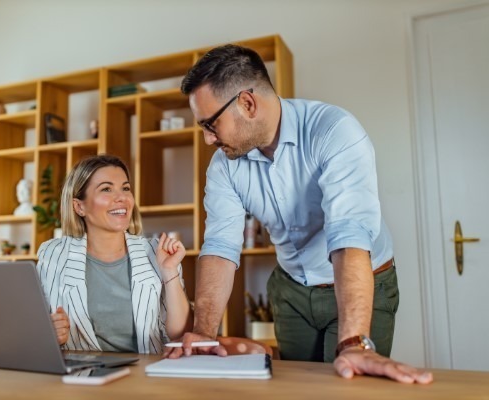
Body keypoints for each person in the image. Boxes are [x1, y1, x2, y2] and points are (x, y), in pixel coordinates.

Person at [168, 44, 433, 384]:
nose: (207, 139)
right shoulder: (225, 165)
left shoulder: (334, 131)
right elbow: (220, 246)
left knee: (348, 383)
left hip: (359, 280)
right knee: (299, 386)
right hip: (291, 290)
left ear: (247, 104)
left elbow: (349, 234)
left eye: (210, 124)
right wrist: (203, 332)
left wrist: (354, 344)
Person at [36, 154, 191, 353]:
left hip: (145, 377)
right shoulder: (53, 255)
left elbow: (181, 336)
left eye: (125, 188)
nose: (122, 198)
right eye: (107, 189)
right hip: (82, 377)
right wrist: (48, 334)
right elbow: (32, 331)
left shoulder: (157, 252)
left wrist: (170, 272)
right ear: (79, 206)